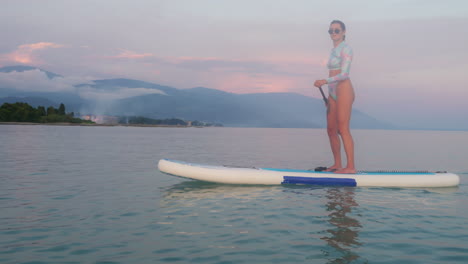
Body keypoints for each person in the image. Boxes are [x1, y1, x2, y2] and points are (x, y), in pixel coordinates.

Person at [314, 20, 356, 174]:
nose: (333, 33)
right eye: (330, 31)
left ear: (344, 32)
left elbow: (344, 75)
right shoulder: (333, 50)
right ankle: (337, 164)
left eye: (336, 30)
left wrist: (325, 81)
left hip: (343, 89)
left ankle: (350, 167)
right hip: (332, 91)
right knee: (331, 129)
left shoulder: (347, 49)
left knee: (343, 129)